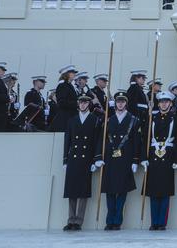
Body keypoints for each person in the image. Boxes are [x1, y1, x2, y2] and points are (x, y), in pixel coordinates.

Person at [99, 90, 142, 230]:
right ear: (115, 103)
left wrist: (135, 160)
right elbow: (102, 140)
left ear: (126, 103)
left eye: (123, 101)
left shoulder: (134, 120)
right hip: (110, 159)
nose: (120, 103)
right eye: (118, 101)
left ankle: (117, 221)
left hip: (125, 159)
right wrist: (99, 158)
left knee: (122, 192)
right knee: (110, 191)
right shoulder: (108, 120)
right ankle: (109, 220)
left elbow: (137, 141)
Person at [143, 90, 177, 230]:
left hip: (168, 157)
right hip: (153, 157)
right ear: (158, 104)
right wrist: (144, 158)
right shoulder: (151, 118)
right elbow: (145, 139)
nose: (163, 104)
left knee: (165, 192)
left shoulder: (176, 119)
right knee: (153, 192)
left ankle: (162, 223)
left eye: (166, 101)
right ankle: (154, 222)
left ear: (171, 103)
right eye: (161, 102)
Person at [62, 95, 103, 231]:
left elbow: (97, 141)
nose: (83, 105)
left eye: (85, 102)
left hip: (87, 159)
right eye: (81, 102)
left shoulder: (95, 120)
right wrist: (65, 160)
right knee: (72, 190)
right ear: (78, 104)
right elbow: (67, 140)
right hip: (73, 158)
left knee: (83, 191)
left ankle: (79, 221)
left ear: (89, 104)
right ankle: (70, 220)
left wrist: (96, 159)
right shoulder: (72, 120)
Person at [51, 65, 79, 132]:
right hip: (65, 118)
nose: (74, 74)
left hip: (71, 116)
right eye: (72, 72)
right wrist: (76, 103)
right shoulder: (62, 85)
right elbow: (61, 102)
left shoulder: (70, 85)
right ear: (67, 74)